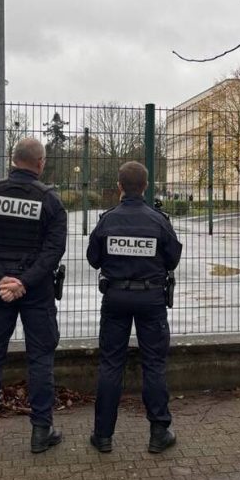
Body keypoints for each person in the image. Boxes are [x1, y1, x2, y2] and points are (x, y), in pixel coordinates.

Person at [0, 137, 67, 454]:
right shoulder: (50, 201)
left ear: (12, 159)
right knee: (40, 357)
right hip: (37, 291)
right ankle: (40, 430)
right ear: (40, 163)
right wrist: (25, 281)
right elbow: (53, 250)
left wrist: (1, 278)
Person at [86, 162, 183, 454]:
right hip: (151, 299)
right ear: (145, 186)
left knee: (111, 364)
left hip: (115, 298)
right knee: (153, 364)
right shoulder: (159, 221)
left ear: (119, 186)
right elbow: (172, 260)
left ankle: (103, 436)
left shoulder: (107, 220)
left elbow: (93, 258)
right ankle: (158, 433)